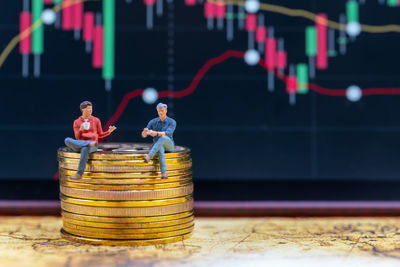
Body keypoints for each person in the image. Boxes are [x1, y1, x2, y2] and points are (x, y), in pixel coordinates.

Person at [64, 101, 116, 179]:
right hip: (80, 144)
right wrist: (81, 130)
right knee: (67, 140)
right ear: (83, 110)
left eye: (91, 109)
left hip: (92, 146)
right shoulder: (77, 122)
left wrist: (109, 131)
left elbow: (100, 134)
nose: (90, 110)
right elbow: (77, 137)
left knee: (85, 149)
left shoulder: (96, 120)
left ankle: (79, 174)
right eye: (88, 109)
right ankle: (88, 143)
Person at [141, 103, 176, 179]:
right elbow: (144, 135)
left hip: (169, 145)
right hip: (158, 145)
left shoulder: (172, 122)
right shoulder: (153, 121)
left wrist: (156, 133)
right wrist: (144, 132)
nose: (161, 112)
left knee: (163, 137)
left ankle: (149, 155)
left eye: (162, 110)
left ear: (166, 110)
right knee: (160, 148)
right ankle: (164, 173)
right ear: (157, 111)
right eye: (159, 111)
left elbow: (167, 133)